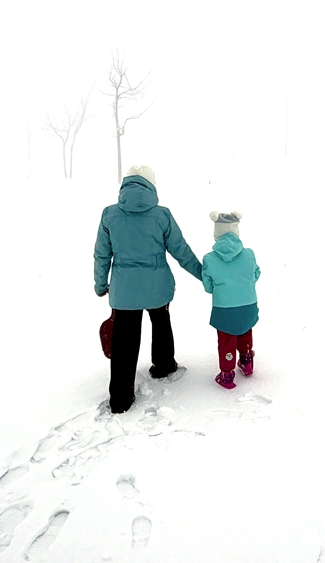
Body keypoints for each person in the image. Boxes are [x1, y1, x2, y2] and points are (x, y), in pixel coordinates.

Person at [94, 165, 203, 413]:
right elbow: (181, 250)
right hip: (157, 286)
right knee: (161, 321)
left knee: (124, 341)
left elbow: (101, 254)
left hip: (124, 291)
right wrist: (203, 275)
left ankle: (120, 398)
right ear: (151, 186)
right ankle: (164, 366)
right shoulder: (162, 215)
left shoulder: (110, 214)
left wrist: (100, 284)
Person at [201, 211, 260, 389]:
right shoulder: (249, 254)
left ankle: (227, 374)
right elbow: (256, 274)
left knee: (226, 338)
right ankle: (247, 362)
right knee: (244, 329)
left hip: (224, 307)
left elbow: (208, 287)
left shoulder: (209, 258)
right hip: (248, 304)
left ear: (216, 233)